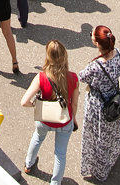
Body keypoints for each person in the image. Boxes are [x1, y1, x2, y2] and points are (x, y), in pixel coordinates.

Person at [21, 40, 78, 185]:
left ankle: (29, 164)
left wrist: (35, 104)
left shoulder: (41, 77)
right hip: (64, 119)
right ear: (65, 56)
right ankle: (55, 182)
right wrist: (74, 118)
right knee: (60, 153)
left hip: (44, 119)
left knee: (37, 138)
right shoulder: (73, 77)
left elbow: (24, 102)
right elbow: (74, 103)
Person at [77, 26, 120, 181]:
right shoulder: (118, 55)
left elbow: (82, 77)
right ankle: (111, 157)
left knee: (96, 135)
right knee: (110, 132)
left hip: (98, 104)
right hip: (113, 99)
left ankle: (98, 169)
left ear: (97, 43)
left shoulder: (96, 66)